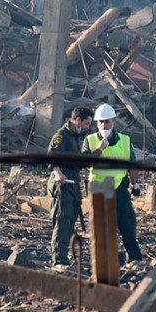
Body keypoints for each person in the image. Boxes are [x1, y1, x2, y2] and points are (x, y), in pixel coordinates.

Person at [82, 103, 143, 262]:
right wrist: (100, 149)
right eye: (101, 121)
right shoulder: (89, 141)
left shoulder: (124, 140)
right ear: (97, 123)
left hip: (120, 188)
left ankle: (135, 258)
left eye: (107, 121)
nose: (104, 125)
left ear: (113, 122)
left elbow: (132, 164)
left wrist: (135, 183)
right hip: (99, 188)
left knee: (128, 224)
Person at [45, 106, 94, 267]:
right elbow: (52, 156)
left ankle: (68, 256)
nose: (87, 127)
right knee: (62, 221)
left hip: (73, 183)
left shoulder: (76, 137)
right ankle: (59, 260)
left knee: (70, 221)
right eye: (86, 123)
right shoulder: (61, 135)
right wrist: (58, 173)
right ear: (78, 120)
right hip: (62, 185)